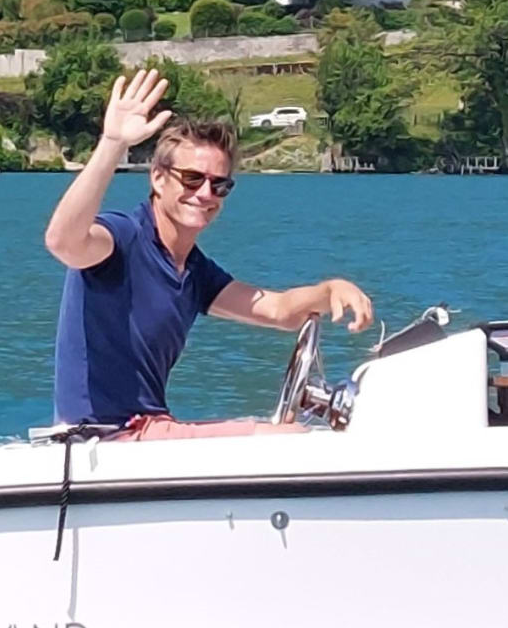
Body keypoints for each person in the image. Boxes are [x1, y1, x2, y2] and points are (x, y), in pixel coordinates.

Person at [44, 67, 375, 437]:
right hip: (104, 436)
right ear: (157, 177)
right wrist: (112, 143)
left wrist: (329, 290)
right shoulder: (122, 239)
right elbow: (64, 242)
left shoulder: (194, 272)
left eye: (220, 185)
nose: (205, 194)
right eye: (192, 179)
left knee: (290, 434)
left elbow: (279, 311)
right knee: (283, 438)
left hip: (149, 430)